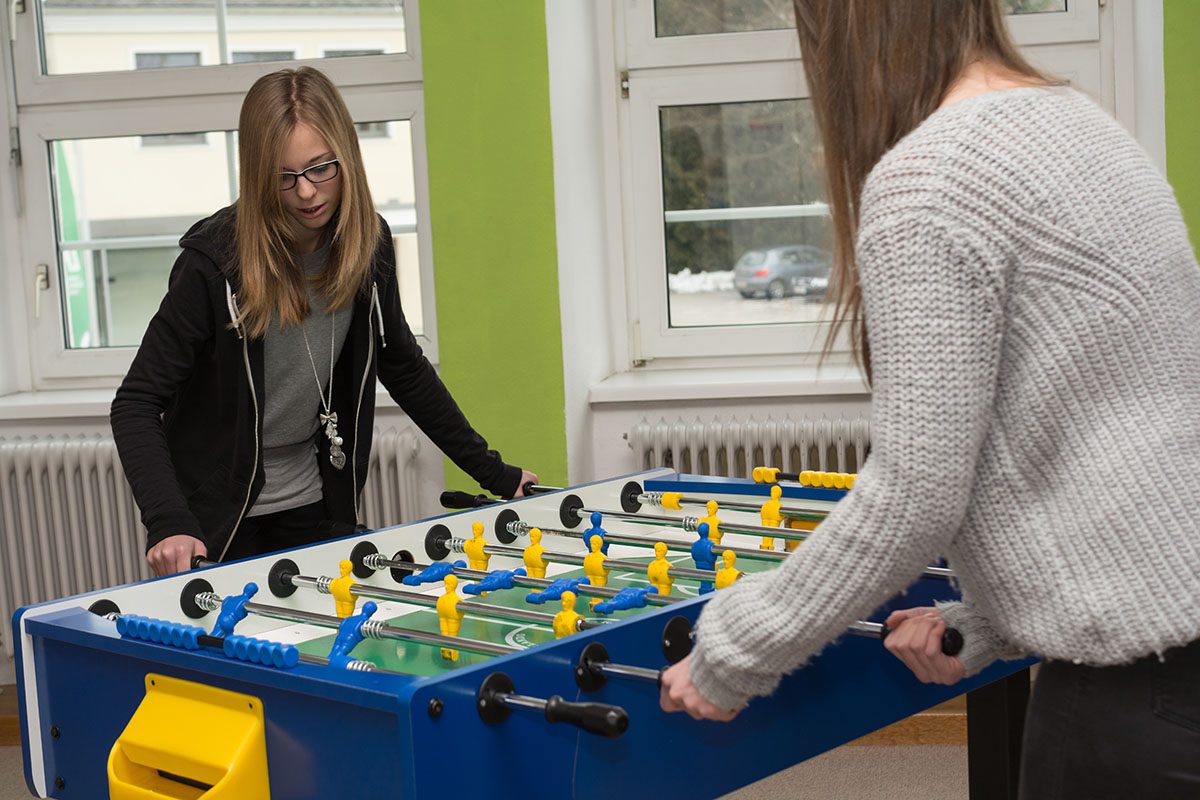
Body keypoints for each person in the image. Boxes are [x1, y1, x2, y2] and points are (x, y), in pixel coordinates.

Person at [659, 2, 1200, 796]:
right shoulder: (1080, 123)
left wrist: (735, 650)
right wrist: (988, 620)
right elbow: (1115, 433)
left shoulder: (930, 180)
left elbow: (913, 497)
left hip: (1128, 706)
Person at [111, 66, 536, 577]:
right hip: (218, 516)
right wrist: (168, 520)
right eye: (285, 177)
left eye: (320, 169)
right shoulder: (212, 263)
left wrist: (495, 474)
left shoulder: (368, 244)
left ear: (347, 157)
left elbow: (401, 364)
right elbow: (135, 403)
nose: (307, 193)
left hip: (314, 498)